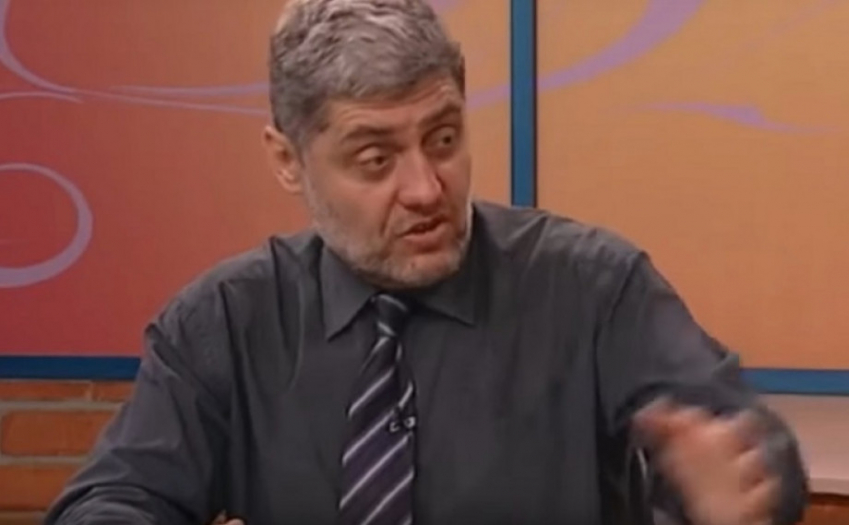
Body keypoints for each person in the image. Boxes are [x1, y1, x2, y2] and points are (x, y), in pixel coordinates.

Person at [45, 0, 808, 524]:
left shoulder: (594, 288)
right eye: (375, 158)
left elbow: (750, 448)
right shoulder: (223, 324)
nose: (425, 188)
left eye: (443, 139)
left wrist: (731, 493)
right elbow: (114, 496)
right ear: (287, 159)